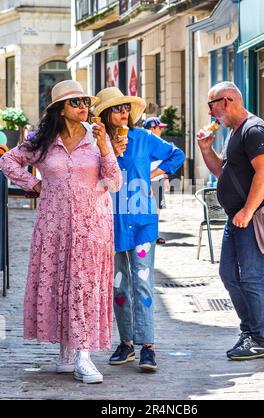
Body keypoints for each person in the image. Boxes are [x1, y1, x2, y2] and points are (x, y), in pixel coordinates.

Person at [0, 80, 122, 383]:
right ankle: (67, 353)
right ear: (60, 110)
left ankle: (84, 356)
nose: (84, 107)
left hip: (91, 226)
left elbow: (115, 181)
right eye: (76, 103)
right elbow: (8, 160)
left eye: (85, 102)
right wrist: (34, 184)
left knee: (83, 286)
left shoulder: (97, 140)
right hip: (53, 226)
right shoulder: (42, 141)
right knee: (61, 283)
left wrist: (106, 147)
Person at [93, 87, 185, 371]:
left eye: (126, 108)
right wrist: (106, 153)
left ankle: (148, 346)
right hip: (111, 223)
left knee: (142, 283)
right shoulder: (97, 144)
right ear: (107, 114)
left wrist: (153, 174)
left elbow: (177, 155)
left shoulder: (143, 138)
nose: (123, 112)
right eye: (117, 108)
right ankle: (126, 343)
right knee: (119, 286)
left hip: (143, 222)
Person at [197, 81, 264, 361]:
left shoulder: (253, 130)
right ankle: (249, 332)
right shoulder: (234, 132)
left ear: (227, 100)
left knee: (252, 278)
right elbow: (223, 172)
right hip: (238, 217)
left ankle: (259, 339)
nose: (210, 113)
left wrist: (247, 211)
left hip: (251, 217)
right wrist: (206, 150)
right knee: (229, 275)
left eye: (212, 105)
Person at [143, 117, 170, 245]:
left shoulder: (161, 143)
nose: (161, 131)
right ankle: (146, 234)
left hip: (158, 180)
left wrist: (165, 178)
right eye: (159, 128)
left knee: (157, 208)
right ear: (151, 129)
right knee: (145, 208)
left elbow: (165, 162)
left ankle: (154, 234)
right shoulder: (143, 143)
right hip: (146, 180)